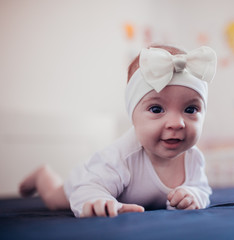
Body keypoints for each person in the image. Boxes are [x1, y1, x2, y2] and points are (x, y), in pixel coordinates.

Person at [19, 44, 217, 218]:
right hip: (87, 178)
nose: (177, 123)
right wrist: (100, 200)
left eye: (190, 109)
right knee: (55, 199)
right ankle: (42, 175)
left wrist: (193, 195)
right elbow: (87, 188)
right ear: (133, 117)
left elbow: (202, 188)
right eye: (157, 109)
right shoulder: (120, 157)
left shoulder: (193, 158)